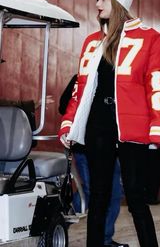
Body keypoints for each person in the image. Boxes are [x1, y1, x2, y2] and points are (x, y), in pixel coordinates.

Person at [58, 0, 160, 247]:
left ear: (119, 2)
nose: (97, 4)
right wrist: (69, 124)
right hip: (98, 124)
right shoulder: (91, 42)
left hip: (133, 127)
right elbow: (81, 90)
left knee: (136, 197)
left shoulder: (150, 38)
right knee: (98, 196)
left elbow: (159, 85)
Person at [59, 74, 127, 247]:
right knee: (91, 192)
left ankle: (105, 239)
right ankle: (57, 224)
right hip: (84, 146)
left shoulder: (119, 76)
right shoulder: (80, 77)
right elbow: (63, 107)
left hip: (110, 148)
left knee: (114, 193)